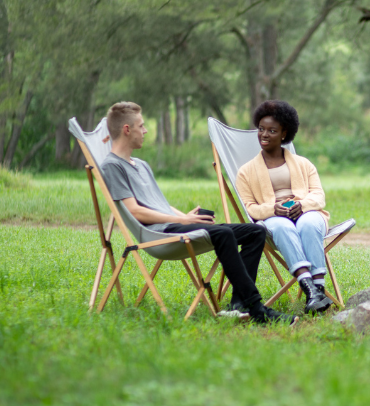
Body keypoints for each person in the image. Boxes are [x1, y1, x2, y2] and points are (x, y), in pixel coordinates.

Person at [98, 101, 295, 325]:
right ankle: (257, 309)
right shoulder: (112, 166)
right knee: (223, 234)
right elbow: (135, 211)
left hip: (175, 224)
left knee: (254, 232)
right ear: (126, 129)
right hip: (159, 235)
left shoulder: (140, 164)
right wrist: (182, 219)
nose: (145, 131)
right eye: (141, 126)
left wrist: (187, 216)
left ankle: (238, 305)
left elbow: (157, 203)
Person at [236, 100, 333, 315]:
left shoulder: (304, 164)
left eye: (272, 130)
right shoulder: (245, 172)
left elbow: (318, 196)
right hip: (274, 218)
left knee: (308, 223)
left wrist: (302, 205)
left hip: (307, 213)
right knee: (281, 226)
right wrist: (273, 208)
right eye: (261, 129)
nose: (264, 134)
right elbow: (250, 208)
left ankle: (318, 288)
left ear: (284, 133)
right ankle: (311, 290)